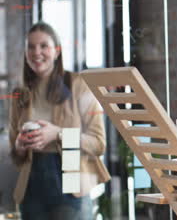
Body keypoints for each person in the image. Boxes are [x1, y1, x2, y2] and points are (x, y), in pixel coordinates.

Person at [9, 22, 111, 220]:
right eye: (30, 46)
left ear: (56, 51)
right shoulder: (20, 94)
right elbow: (15, 156)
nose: (36, 52)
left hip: (70, 181)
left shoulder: (78, 85)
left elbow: (99, 144)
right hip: (31, 184)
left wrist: (57, 133)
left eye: (43, 46)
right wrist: (20, 145)